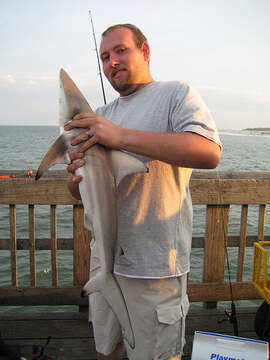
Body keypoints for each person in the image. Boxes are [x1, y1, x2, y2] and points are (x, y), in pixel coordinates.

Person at [64, 24, 222, 360]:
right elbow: (78, 195)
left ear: (145, 51)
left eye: (121, 50)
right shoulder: (99, 116)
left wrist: (119, 137)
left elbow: (209, 152)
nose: (112, 62)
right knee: (107, 350)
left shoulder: (176, 94)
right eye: (105, 57)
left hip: (154, 268)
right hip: (104, 262)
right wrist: (78, 180)